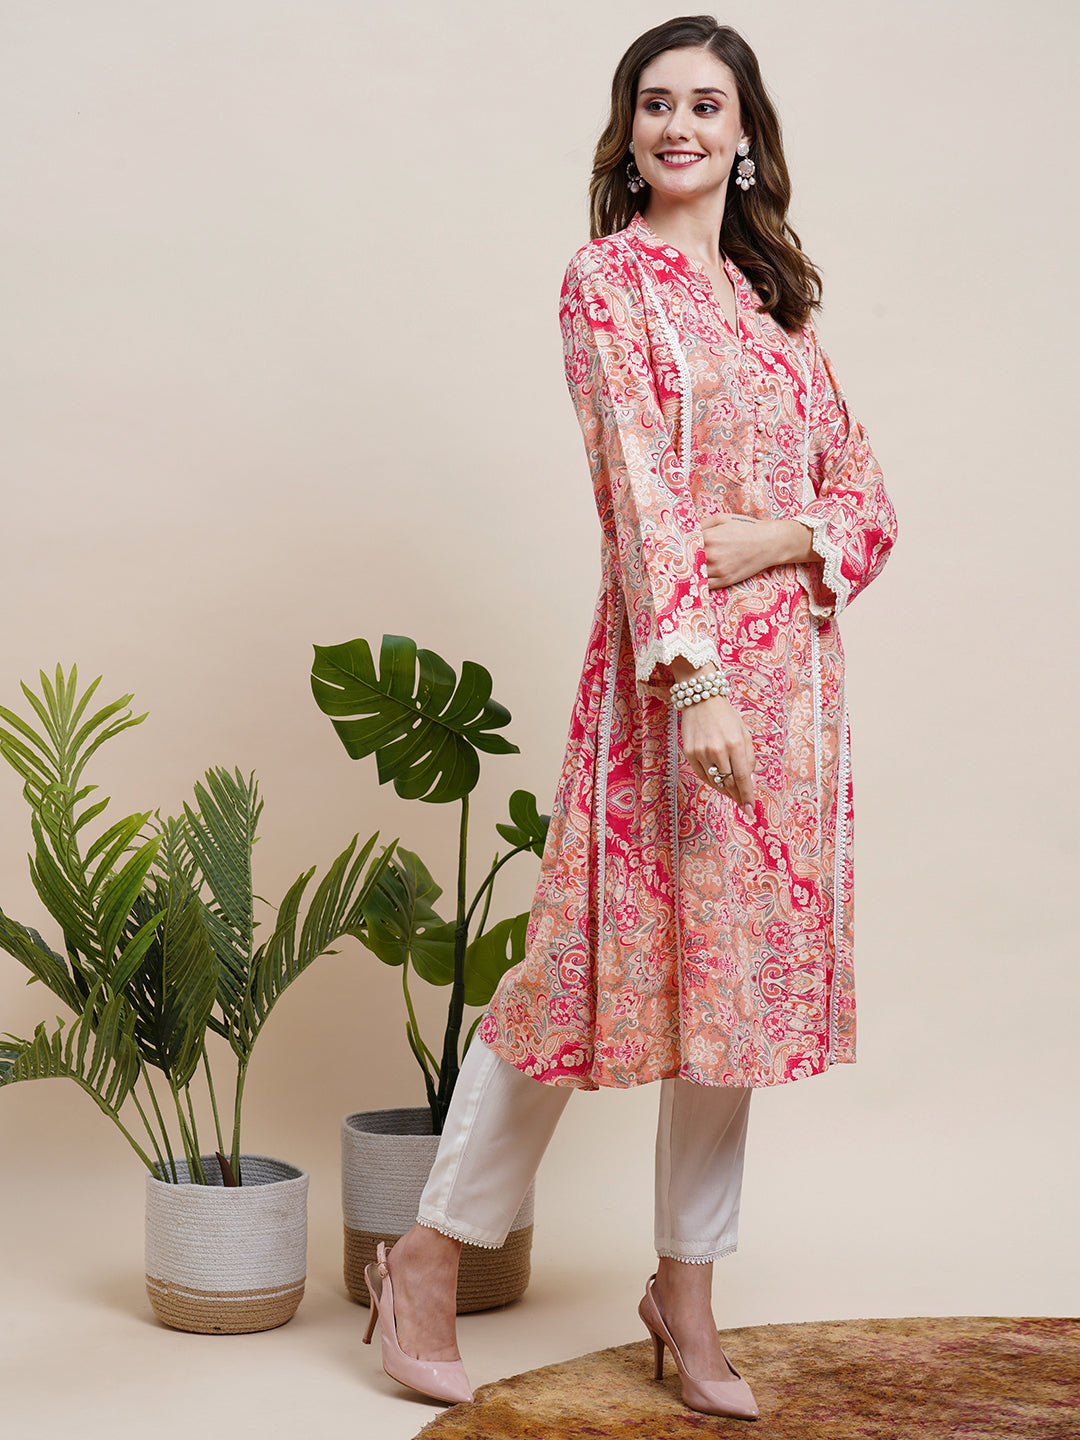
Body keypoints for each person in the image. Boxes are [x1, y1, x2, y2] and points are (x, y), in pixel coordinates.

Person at [361, 15, 896, 1419]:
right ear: (629, 129)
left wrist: (781, 536)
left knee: (734, 1003)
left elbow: (867, 501)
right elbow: (641, 497)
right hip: (674, 689)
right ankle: (425, 1260)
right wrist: (697, 677)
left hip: (795, 709)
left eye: (706, 105)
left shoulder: (775, 310)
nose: (679, 126)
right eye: (656, 103)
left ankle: (689, 1295)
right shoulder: (610, 283)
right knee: (568, 976)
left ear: (745, 133)